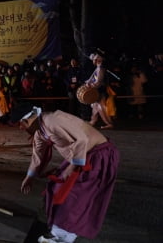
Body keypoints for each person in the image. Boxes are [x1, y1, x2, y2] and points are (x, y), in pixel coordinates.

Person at [11, 103, 119, 243]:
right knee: (56, 189)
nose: (21, 128)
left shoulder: (52, 120)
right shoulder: (40, 132)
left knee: (71, 195)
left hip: (97, 155)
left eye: (20, 124)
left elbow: (83, 139)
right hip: (80, 156)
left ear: (27, 120)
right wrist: (29, 177)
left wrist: (71, 168)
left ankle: (61, 236)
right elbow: (38, 156)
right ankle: (63, 233)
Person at [83, 52, 114, 129]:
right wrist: (88, 82)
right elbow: (92, 79)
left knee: (101, 108)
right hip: (97, 90)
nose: (93, 61)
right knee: (95, 107)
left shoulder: (100, 69)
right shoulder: (98, 68)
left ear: (97, 60)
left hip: (100, 91)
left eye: (94, 60)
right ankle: (93, 121)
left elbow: (99, 82)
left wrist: (91, 85)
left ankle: (109, 123)